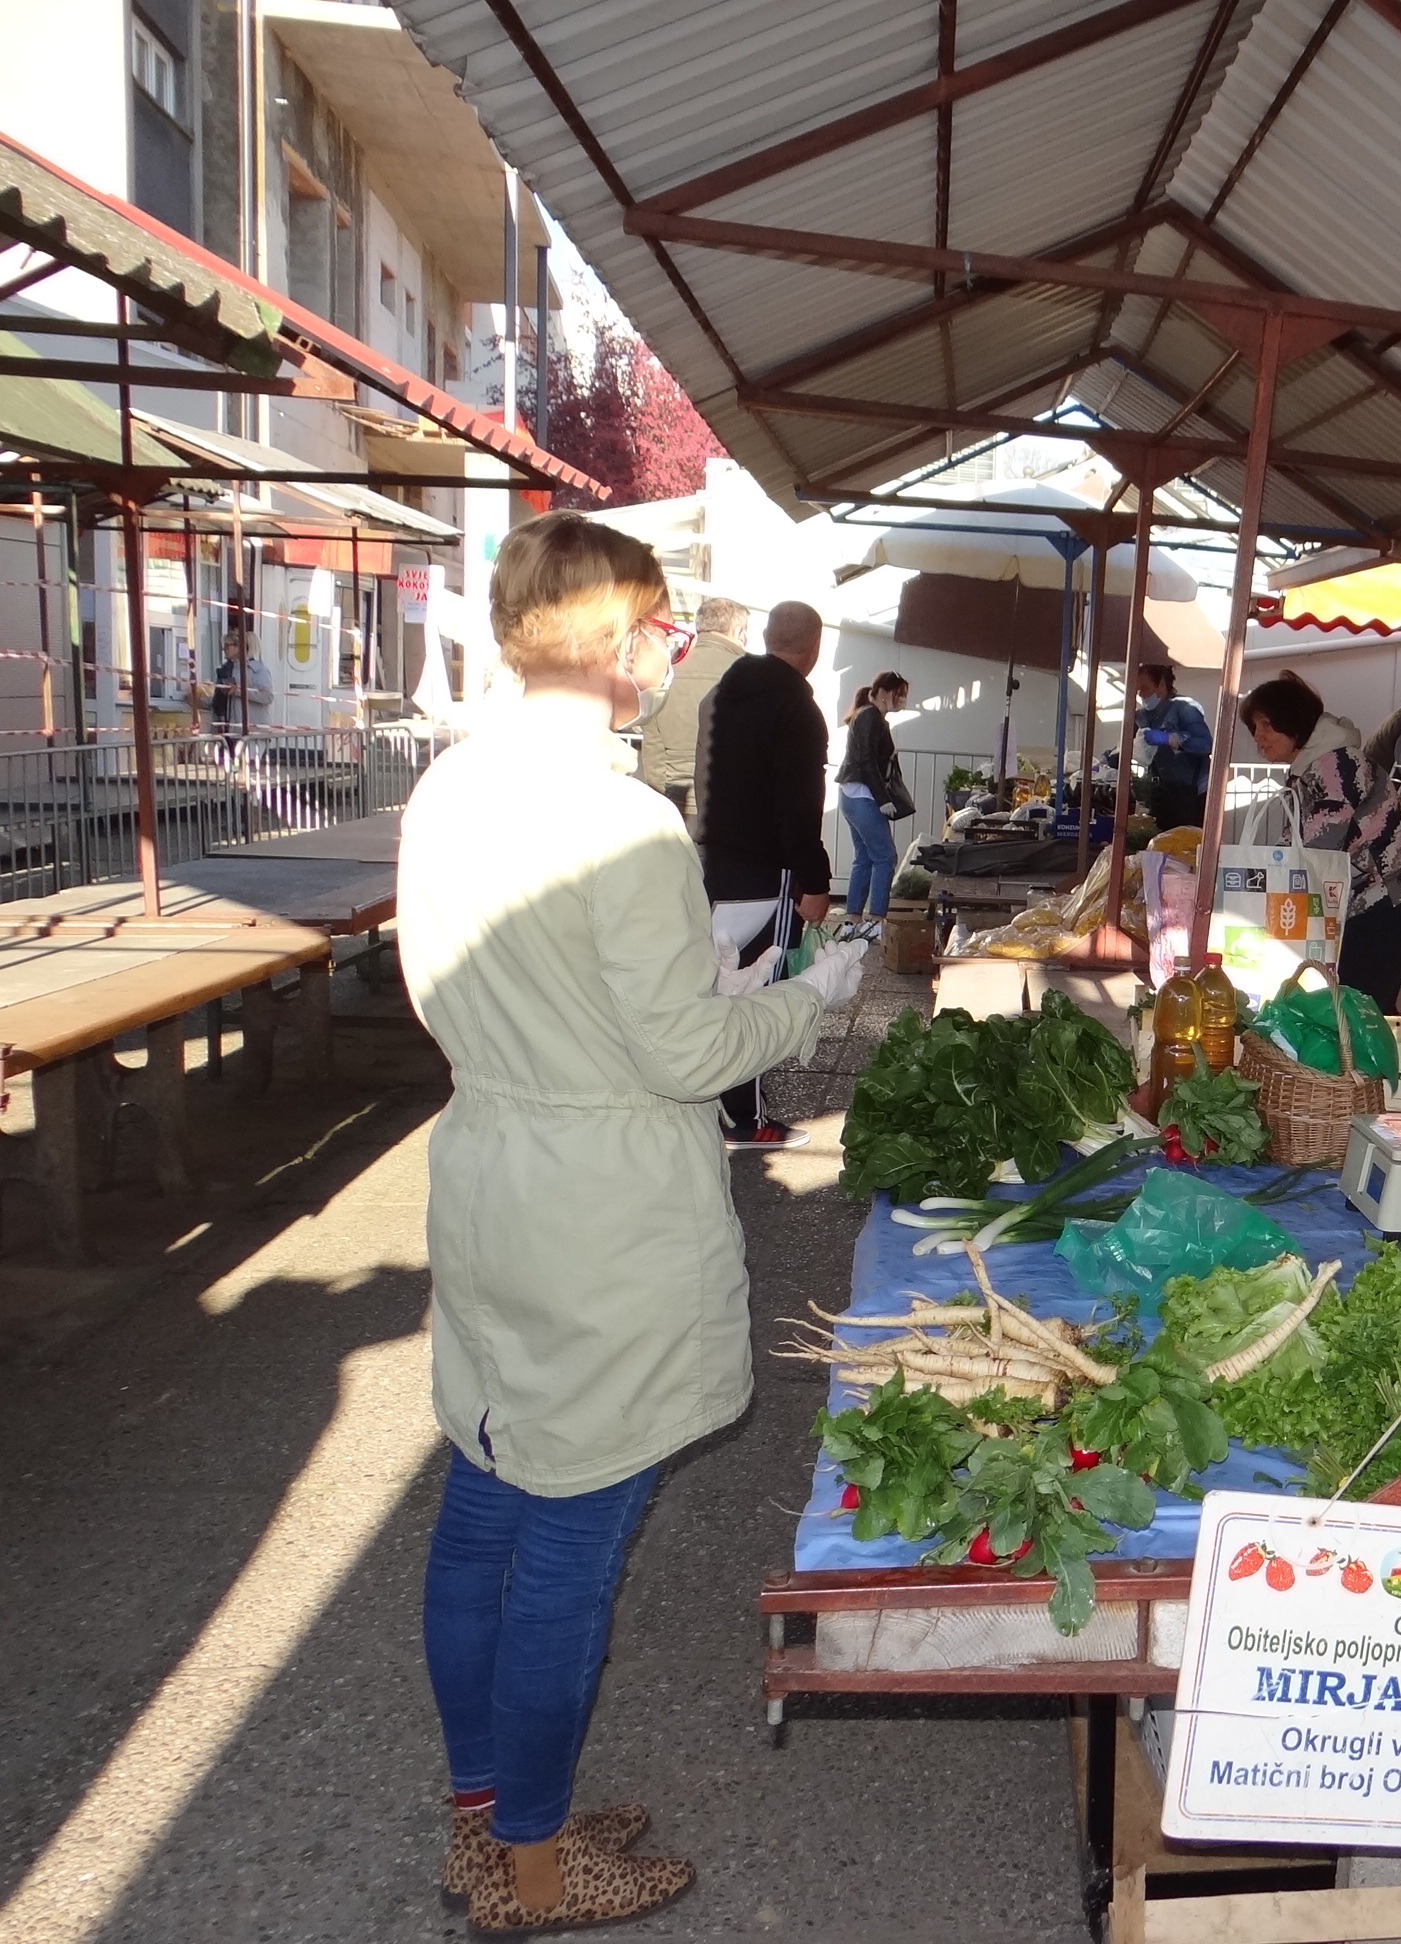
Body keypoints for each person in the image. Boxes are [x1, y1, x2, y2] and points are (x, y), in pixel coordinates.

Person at [397, 512, 867, 1934]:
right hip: (599, 1213)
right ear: (612, 641)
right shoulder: (619, 818)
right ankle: (533, 1869)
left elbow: (494, 985)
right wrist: (814, 996)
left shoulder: (453, 786)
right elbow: (683, 1054)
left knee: (486, 1501)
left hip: (490, 1166)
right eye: (660, 628)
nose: (672, 652)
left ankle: (490, 1812)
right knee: (569, 1550)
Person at [699, 600, 835, 1150]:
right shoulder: (797, 711)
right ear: (813, 648)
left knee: (717, 985)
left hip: (714, 865)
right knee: (758, 991)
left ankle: (713, 1105)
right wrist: (815, 881)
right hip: (765, 872)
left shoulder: (722, 696)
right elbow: (798, 807)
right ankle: (748, 1118)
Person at [1238, 673, 1401, 1011]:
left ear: (1293, 722)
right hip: (1371, 910)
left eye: (1266, 725)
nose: (1259, 737)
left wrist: (1244, 878)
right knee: (1359, 1014)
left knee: (1357, 1020)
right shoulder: (1315, 766)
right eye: (1254, 728)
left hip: (1386, 910)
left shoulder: (1337, 766)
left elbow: (1315, 842)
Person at [633, 594, 748, 834]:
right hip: (726, 804)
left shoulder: (668, 669)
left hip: (673, 799)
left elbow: (652, 743)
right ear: (737, 630)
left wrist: (660, 794)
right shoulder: (745, 673)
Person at [836, 671, 914, 929]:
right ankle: (875, 920)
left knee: (865, 857)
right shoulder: (870, 716)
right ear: (883, 693)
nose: (902, 699)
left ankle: (853, 919)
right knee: (885, 857)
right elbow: (867, 760)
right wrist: (882, 799)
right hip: (864, 796)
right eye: (899, 694)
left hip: (852, 795)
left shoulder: (866, 715)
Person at [1133, 662, 1212, 832]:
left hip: (1190, 794)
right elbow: (1125, 744)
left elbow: (1205, 744)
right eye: (1137, 690)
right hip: (1160, 794)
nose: (1141, 695)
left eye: (1145, 689)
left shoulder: (1185, 708)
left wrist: (1171, 739)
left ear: (1161, 684)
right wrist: (1104, 760)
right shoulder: (1143, 716)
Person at [207, 628, 271, 742]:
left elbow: (267, 696)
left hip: (253, 733)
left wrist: (238, 691)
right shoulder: (229, 669)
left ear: (239, 647)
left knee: (248, 759)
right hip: (233, 732)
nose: (224, 649)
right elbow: (219, 700)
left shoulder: (257, 669)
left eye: (228, 645)